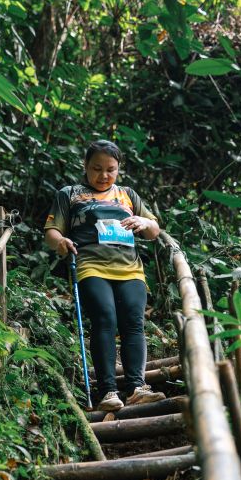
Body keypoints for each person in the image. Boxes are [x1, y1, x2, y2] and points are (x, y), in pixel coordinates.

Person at [44, 140, 165, 412]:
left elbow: (154, 230)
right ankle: (108, 390)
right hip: (91, 264)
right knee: (105, 318)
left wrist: (144, 222)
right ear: (85, 166)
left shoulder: (128, 195)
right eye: (97, 168)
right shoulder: (69, 194)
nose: (104, 175)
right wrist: (61, 241)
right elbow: (51, 231)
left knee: (133, 322)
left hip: (129, 267)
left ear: (118, 168)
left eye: (111, 169)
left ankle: (137, 388)